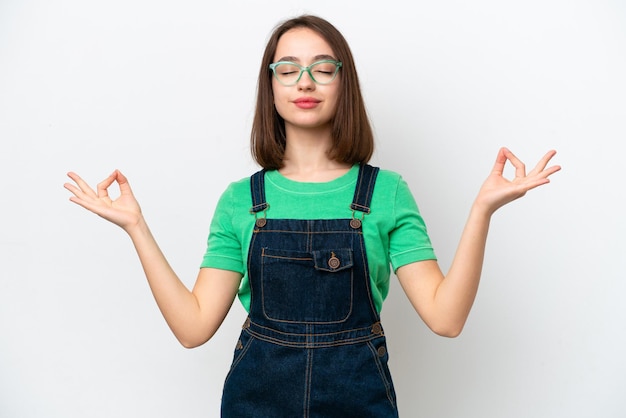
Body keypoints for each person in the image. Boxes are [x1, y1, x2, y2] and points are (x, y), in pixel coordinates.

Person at [64, 14, 560, 418]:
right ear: (272, 85)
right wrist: (136, 226)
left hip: (358, 406)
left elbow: (446, 318)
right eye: (288, 68)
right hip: (256, 407)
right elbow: (193, 328)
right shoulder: (241, 201)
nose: (305, 81)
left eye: (323, 67)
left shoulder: (385, 193)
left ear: (344, 81)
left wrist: (483, 210)